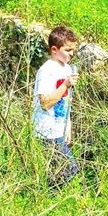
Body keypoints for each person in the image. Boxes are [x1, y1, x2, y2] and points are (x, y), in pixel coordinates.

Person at [32, 25, 79, 188]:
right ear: (54, 49)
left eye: (73, 50)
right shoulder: (46, 71)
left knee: (57, 170)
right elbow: (45, 103)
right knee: (70, 168)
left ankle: (45, 195)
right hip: (46, 130)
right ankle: (48, 195)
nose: (71, 54)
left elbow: (67, 101)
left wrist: (68, 126)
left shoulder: (67, 68)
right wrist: (65, 85)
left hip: (59, 128)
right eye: (68, 50)